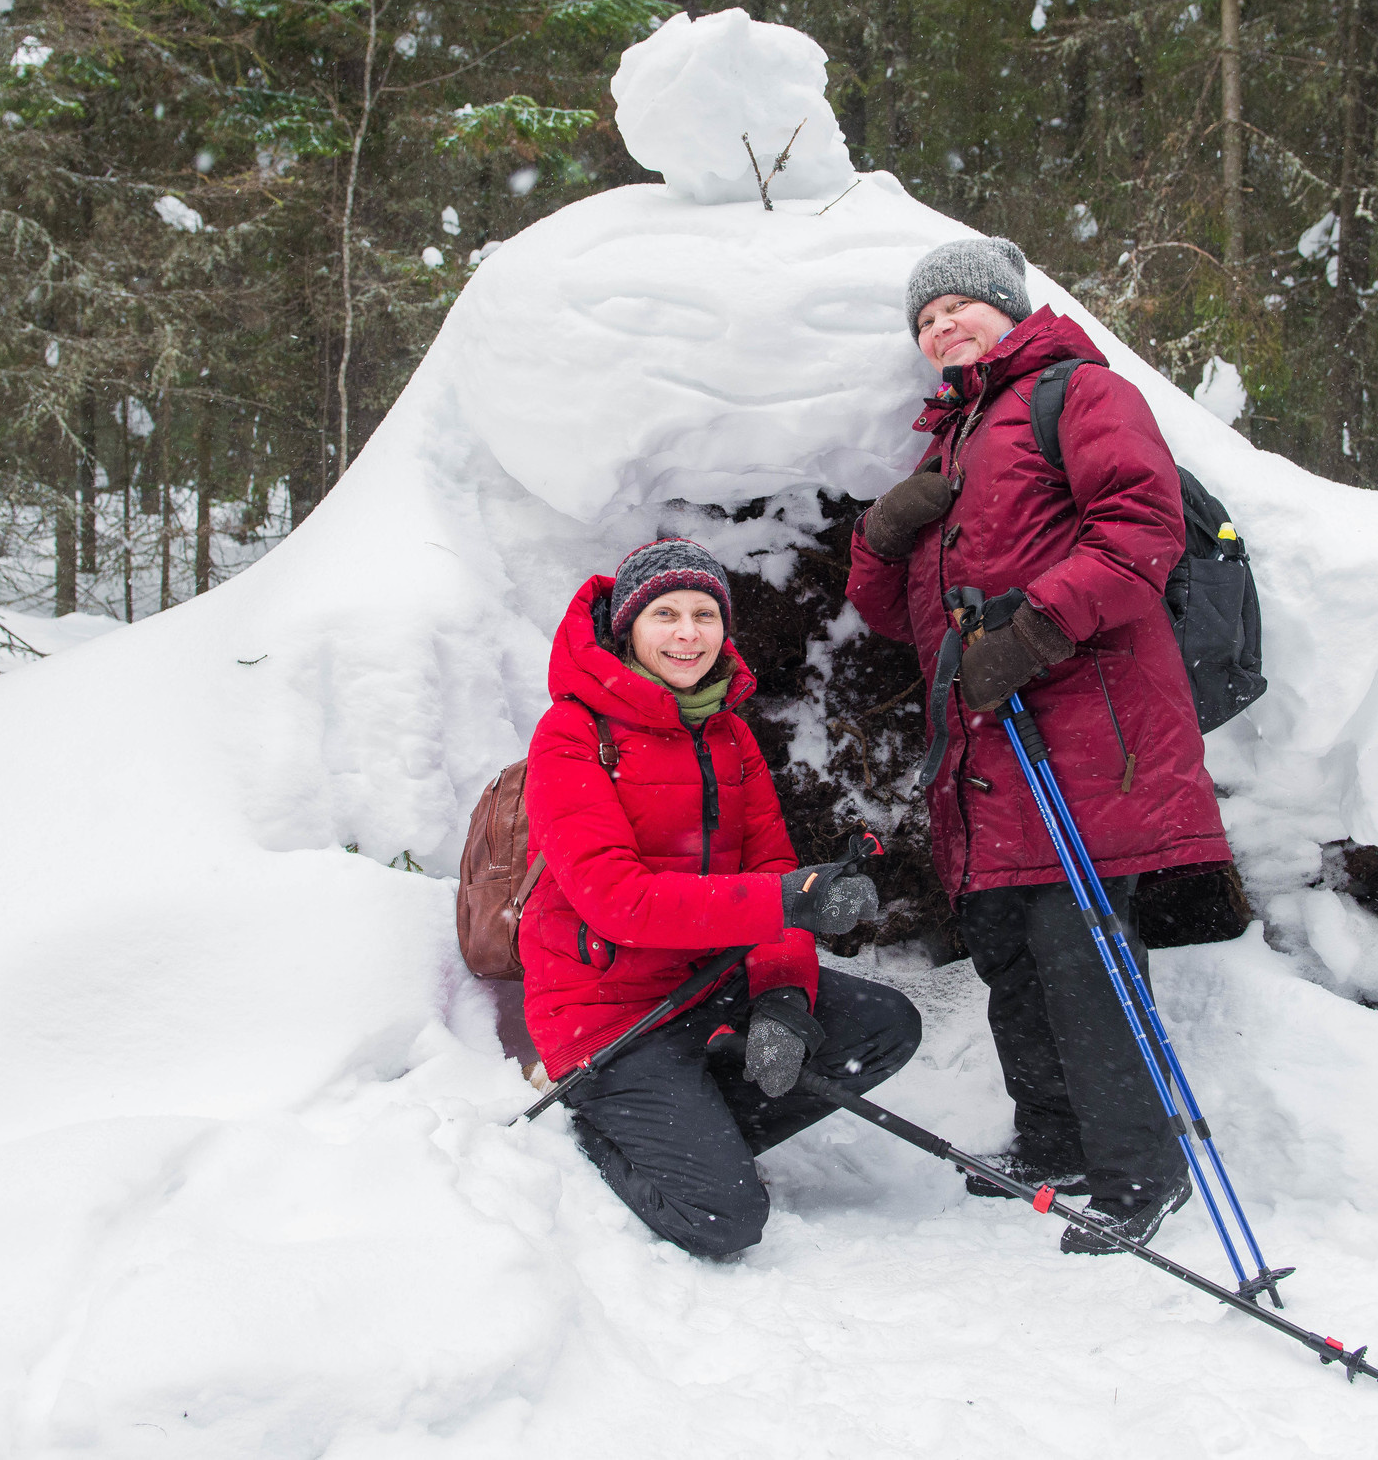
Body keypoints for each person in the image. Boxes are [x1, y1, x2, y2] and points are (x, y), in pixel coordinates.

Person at [845, 237, 1234, 1254]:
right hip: (988, 754)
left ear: (1008, 310)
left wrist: (1035, 627)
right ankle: (1052, 1139)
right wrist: (884, 533)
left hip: (1084, 733)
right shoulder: (952, 441)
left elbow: (1140, 528)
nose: (942, 328)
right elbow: (892, 613)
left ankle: (1141, 1171)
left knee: (1083, 951)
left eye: (959, 308)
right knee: (1014, 952)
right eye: (926, 321)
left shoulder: (1076, 394)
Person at [523, 537, 923, 1258]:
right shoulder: (573, 733)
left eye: (704, 613)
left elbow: (771, 865)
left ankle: (700, 1121)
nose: (687, 633)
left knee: (883, 1025)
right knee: (723, 1218)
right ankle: (608, 1129)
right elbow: (620, 901)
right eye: (665, 614)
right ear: (628, 628)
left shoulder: (729, 735)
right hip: (611, 1015)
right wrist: (782, 902)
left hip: (711, 987)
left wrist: (780, 997)